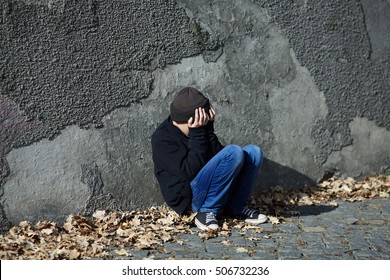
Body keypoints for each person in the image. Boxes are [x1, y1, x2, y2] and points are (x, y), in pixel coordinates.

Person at [151, 87, 267, 231]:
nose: (204, 121)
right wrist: (198, 134)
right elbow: (189, 173)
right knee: (233, 151)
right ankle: (206, 211)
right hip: (189, 198)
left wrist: (208, 130)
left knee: (253, 152)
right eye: (203, 119)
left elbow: (218, 158)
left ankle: (236, 208)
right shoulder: (162, 140)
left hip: (207, 188)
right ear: (191, 119)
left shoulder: (199, 130)